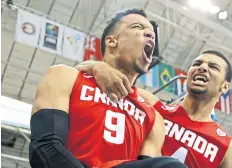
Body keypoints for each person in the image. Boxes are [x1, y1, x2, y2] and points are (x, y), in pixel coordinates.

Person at [29, 9, 187, 168]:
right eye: (138, 27)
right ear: (112, 41)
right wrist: (96, 66)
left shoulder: (153, 117)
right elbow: (45, 146)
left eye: (152, 33)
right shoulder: (65, 76)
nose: (150, 35)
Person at [75, 50, 232, 168]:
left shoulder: (228, 148)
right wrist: (100, 67)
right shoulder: (151, 105)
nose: (202, 67)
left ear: (225, 86)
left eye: (213, 67)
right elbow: (87, 73)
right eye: (197, 64)